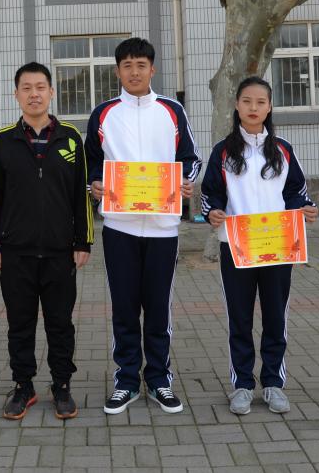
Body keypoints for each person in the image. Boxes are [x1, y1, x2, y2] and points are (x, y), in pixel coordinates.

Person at [85, 37, 201, 415]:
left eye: (141, 65)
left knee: (158, 308)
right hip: (119, 227)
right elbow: (90, 162)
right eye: (127, 66)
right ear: (117, 71)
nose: (134, 72)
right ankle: (126, 380)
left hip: (163, 228)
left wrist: (185, 181)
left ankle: (159, 379)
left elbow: (190, 158)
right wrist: (94, 184)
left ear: (152, 69)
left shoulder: (171, 110)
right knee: (123, 308)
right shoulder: (104, 114)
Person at [199, 77, 318, 415]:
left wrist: (304, 209)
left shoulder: (283, 150)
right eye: (247, 101)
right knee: (239, 318)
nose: (253, 108)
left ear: (269, 107)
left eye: (260, 102)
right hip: (236, 246)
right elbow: (210, 193)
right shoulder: (223, 151)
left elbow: (295, 192)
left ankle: (273, 383)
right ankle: (241, 384)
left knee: (275, 317)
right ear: (237, 105)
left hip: (278, 245)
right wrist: (213, 212)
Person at [0, 62, 93, 420]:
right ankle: (23, 386)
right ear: (16, 94)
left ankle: (62, 385)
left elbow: (80, 195)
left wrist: (83, 241)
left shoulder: (71, 138)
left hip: (61, 253)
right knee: (20, 324)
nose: (34, 94)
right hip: (16, 253)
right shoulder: (2, 141)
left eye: (40, 87)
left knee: (60, 323)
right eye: (26, 88)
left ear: (51, 92)